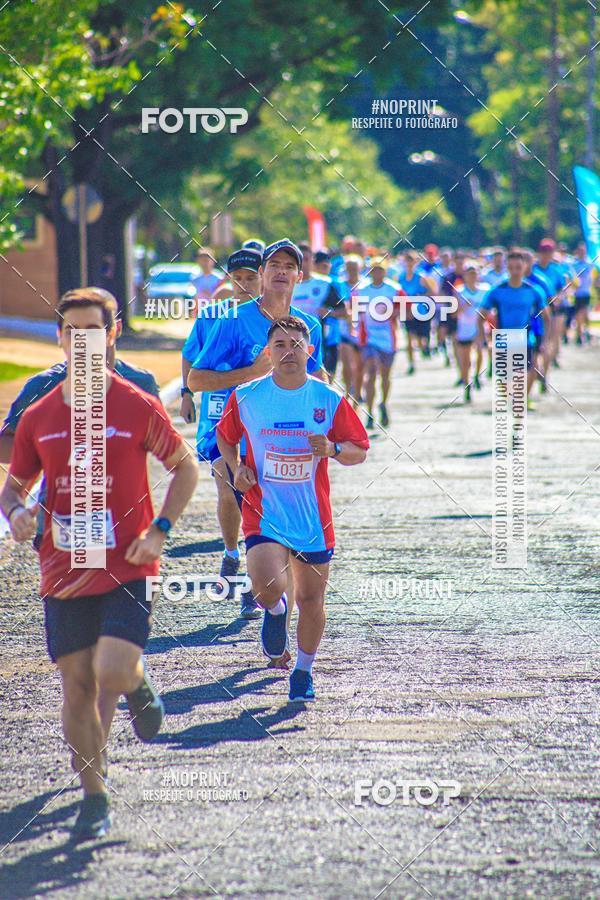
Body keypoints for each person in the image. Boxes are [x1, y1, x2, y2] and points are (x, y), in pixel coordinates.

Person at [0, 289, 199, 841]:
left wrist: (160, 530)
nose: (82, 341)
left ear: (111, 336)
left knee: (110, 671)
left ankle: (136, 684)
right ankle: (95, 795)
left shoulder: (134, 402)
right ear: (60, 340)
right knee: (77, 684)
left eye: (94, 331)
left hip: (128, 561)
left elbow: (184, 469)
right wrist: (16, 511)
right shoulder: (40, 414)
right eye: (72, 332)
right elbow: (14, 486)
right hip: (62, 568)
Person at [216, 316, 369, 702]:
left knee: (312, 599)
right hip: (263, 510)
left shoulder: (327, 399)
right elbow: (225, 437)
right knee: (267, 586)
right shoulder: (247, 396)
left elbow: (359, 450)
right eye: (280, 345)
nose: (289, 351)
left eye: (296, 344)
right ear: (268, 353)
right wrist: (237, 470)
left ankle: (302, 671)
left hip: (311, 517)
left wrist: (333, 449)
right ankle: (274, 610)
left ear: (309, 350)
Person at [188, 238, 328, 660]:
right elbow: (196, 379)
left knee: (284, 512)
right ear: (263, 274)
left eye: (290, 266)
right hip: (229, 432)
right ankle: (250, 574)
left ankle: (271, 598)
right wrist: (251, 372)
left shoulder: (309, 326)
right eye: (274, 265)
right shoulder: (233, 320)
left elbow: (315, 378)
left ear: (299, 276)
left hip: (285, 440)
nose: (282, 272)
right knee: (238, 494)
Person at [180, 248, 262, 618]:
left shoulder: (270, 318)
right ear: (228, 280)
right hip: (217, 412)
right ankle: (233, 555)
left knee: (257, 496)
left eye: (250, 277)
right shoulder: (212, 314)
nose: (243, 285)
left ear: (261, 278)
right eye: (238, 278)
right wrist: (185, 393)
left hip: (259, 416)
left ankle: (254, 574)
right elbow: (190, 354)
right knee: (228, 490)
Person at [479, 249, 549, 406]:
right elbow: (481, 315)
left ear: (524, 267)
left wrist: (544, 339)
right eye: (511, 268)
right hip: (503, 338)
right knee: (505, 379)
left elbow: (547, 316)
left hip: (525, 338)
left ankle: (524, 399)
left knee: (526, 371)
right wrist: (482, 338)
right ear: (507, 268)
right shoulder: (497, 291)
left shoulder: (533, 290)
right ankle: (515, 398)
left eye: (518, 267)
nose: (515, 271)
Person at [353, 257, 405, 429]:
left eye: (380, 270)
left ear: (385, 271)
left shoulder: (394, 289)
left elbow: (406, 309)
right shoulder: (361, 289)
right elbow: (352, 309)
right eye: (373, 270)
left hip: (388, 339)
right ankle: (369, 411)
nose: (377, 273)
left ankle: (383, 403)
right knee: (371, 371)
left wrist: (394, 314)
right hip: (368, 338)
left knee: (385, 375)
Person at [293, 245, 346, 378]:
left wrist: (328, 312)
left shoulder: (324, 284)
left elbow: (344, 312)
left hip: (321, 341)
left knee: (324, 381)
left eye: (306, 259)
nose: (303, 264)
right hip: (292, 341)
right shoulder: (286, 283)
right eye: (300, 260)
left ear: (313, 260)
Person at [455, 261, 486, 403]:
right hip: (464, 329)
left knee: (480, 352)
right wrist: (462, 307)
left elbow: (490, 309)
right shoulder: (459, 291)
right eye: (469, 274)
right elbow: (453, 313)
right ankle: (467, 384)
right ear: (465, 276)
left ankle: (477, 375)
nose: (472, 277)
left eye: (474, 274)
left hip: (479, 328)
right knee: (465, 360)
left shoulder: (485, 290)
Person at [398, 250, 432, 374]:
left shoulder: (421, 276)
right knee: (409, 337)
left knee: (421, 337)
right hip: (407, 311)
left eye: (411, 260)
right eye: (407, 260)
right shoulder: (400, 277)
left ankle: (424, 346)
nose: (409, 263)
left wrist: (421, 297)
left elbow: (431, 292)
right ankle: (411, 363)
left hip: (421, 311)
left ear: (415, 262)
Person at [573, 242, 594, 344]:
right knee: (578, 314)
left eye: (583, 251)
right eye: (580, 251)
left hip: (586, 292)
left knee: (584, 313)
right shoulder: (574, 263)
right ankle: (579, 334)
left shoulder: (589, 263)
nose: (582, 253)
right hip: (577, 293)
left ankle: (586, 331)